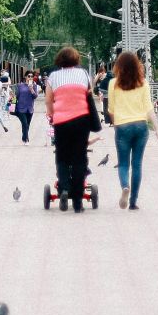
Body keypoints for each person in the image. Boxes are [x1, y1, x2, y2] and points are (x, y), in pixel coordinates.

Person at [41, 46, 100, 212]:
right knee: (79, 158)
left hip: (61, 122)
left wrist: (52, 116)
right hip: (82, 120)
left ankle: (64, 189)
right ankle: (78, 201)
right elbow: (89, 94)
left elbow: (48, 100)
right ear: (76, 60)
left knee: (62, 156)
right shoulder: (83, 74)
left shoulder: (53, 77)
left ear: (59, 60)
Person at [108, 51, 153, 209]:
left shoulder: (113, 83)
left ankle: (125, 186)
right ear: (137, 65)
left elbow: (111, 110)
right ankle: (133, 202)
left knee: (123, 164)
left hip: (122, 126)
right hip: (141, 126)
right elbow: (149, 108)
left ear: (118, 66)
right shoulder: (143, 83)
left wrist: (116, 126)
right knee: (137, 164)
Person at [12, 73, 37, 143]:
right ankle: (26, 139)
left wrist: (31, 89)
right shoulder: (20, 86)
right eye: (29, 76)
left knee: (27, 125)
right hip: (21, 108)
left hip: (30, 108)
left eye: (32, 76)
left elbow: (35, 96)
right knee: (25, 124)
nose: (30, 78)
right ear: (25, 77)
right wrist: (11, 105)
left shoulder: (34, 86)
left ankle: (24, 137)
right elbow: (16, 96)